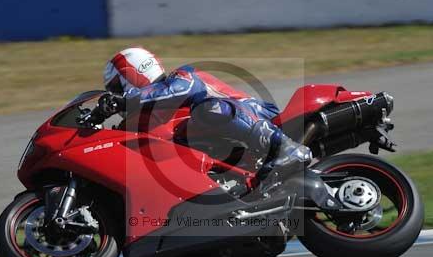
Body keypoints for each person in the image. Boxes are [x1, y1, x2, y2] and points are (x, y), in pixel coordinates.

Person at [97, 47, 312, 174]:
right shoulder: (156, 110)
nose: (118, 94)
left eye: (117, 87)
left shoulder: (181, 77)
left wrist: (124, 101)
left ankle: (285, 147)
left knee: (207, 109)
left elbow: (181, 90)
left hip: (259, 114)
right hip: (233, 141)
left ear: (133, 74)